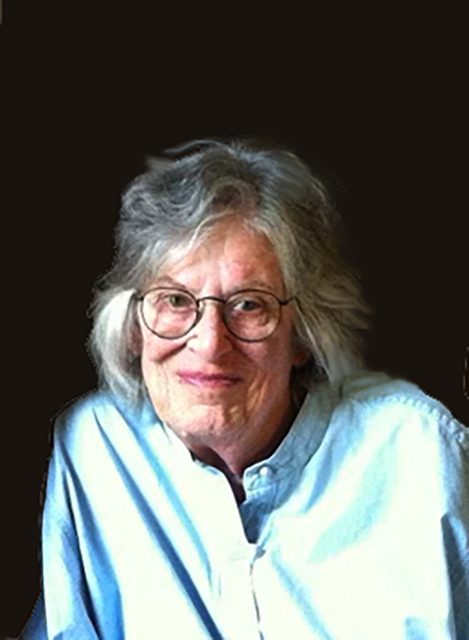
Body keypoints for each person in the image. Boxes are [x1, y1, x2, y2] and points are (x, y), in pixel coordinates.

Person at [21, 138, 468, 639]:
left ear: (303, 336)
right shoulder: (95, 447)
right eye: (175, 300)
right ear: (133, 326)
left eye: (249, 305)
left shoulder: (418, 452)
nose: (210, 343)